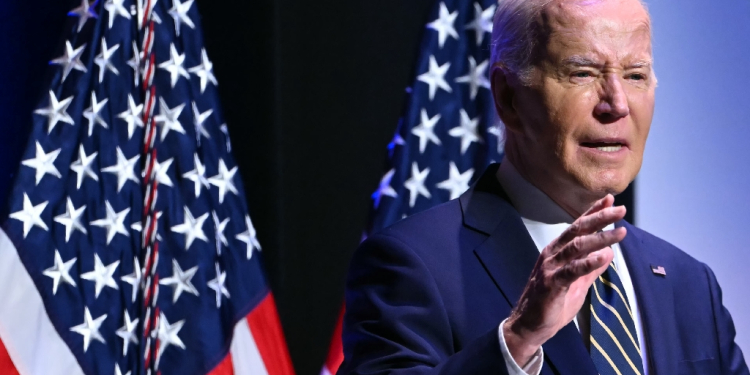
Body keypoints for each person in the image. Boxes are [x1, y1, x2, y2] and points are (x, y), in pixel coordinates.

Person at [338, 0, 749, 374]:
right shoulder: (409, 266)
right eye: (583, 73)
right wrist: (518, 340)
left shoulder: (690, 283)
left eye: (636, 74)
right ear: (508, 98)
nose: (618, 104)